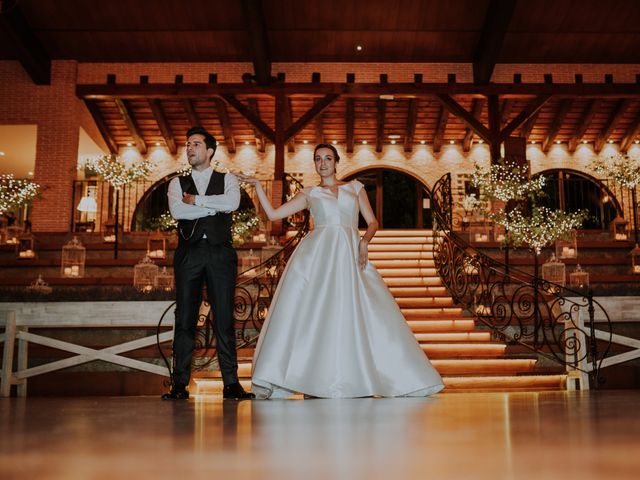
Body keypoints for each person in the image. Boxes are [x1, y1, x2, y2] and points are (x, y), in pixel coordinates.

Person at [237, 143, 444, 399]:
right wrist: (257, 184)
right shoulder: (310, 193)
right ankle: (313, 377)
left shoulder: (355, 188)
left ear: (336, 162)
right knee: (315, 313)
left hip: (349, 253)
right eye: (317, 159)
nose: (322, 163)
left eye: (327, 158)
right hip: (317, 257)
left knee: (362, 310)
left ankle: (369, 375)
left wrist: (364, 241)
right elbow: (273, 213)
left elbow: (372, 222)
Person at [162, 126, 254, 400]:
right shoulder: (176, 183)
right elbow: (178, 210)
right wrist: (214, 206)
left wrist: (199, 202)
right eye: (187, 144)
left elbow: (233, 203)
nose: (189, 148)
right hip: (188, 253)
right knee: (186, 318)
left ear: (210, 151)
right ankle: (180, 385)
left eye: (196, 144)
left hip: (220, 254)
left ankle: (231, 384)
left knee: (224, 317)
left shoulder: (228, 180)